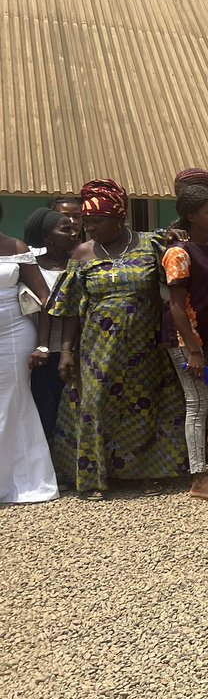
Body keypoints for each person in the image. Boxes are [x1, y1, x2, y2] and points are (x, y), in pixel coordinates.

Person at [51, 180, 187, 499]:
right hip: (97, 348)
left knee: (144, 406)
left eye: (96, 221)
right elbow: (71, 308)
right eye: (87, 222)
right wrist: (66, 351)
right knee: (94, 405)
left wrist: (177, 239)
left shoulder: (150, 244)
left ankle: (144, 473)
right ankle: (93, 476)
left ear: (118, 218)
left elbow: (178, 273)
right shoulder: (83, 254)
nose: (90, 228)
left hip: (146, 346)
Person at [163, 184, 208, 502]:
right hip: (186, 340)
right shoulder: (179, 253)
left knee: (204, 402)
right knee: (197, 404)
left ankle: (199, 465)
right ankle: (198, 478)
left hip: (207, 341)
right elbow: (176, 305)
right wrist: (192, 349)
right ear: (191, 216)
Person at [0, 203, 56, 504]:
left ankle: (22, 479)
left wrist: (44, 344)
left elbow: (45, 298)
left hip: (13, 335)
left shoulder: (15, 246)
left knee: (13, 401)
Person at [24, 207, 78, 443]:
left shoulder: (81, 264)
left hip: (78, 350)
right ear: (48, 238)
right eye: (65, 229)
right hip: (44, 353)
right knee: (47, 411)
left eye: (74, 228)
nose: (74, 233)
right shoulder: (31, 268)